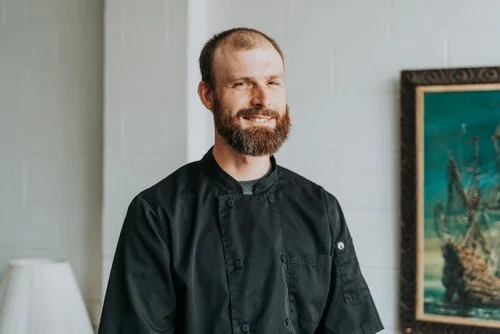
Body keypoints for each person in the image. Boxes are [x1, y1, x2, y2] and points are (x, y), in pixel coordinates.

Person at [98, 27, 384, 334]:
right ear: (208, 95)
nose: (262, 99)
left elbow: (349, 326)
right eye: (242, 83)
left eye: (273, 82)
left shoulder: (320, 207)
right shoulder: (158, 212)